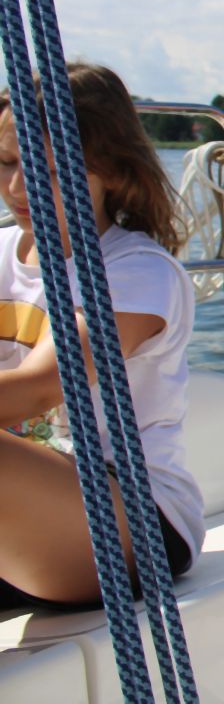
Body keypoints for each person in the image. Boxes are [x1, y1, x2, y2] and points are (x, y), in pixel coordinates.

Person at [0, 62, 203, 609]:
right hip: (27, 510)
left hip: (136, 515)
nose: (17, 187)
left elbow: (43, 385)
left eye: (46, 168)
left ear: (111, 170)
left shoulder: (137, 272)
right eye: (7, 162)